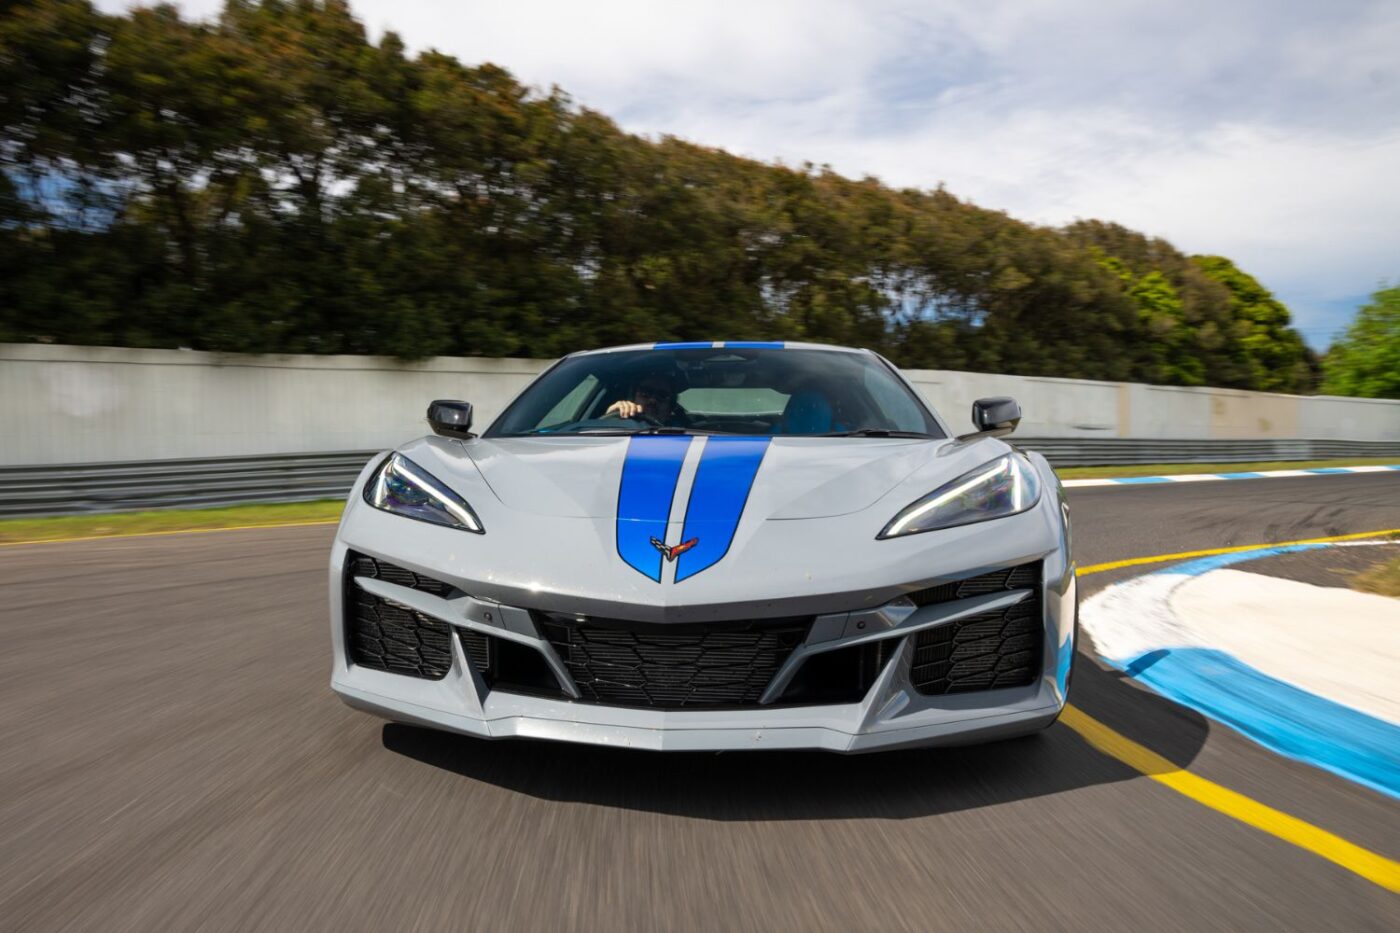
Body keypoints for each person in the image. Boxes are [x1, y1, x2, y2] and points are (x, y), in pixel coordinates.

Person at [604, 371, 685, 424]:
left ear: (669, 410)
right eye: (645, 392)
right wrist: (610, 419)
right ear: (632, 398)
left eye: (662, 396)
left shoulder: (684, 436)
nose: (652, 400)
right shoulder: (617, 425)